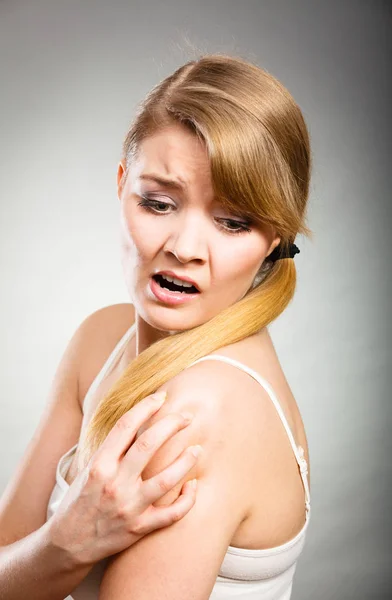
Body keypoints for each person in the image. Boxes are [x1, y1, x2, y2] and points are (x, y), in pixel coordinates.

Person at [0, 53, 312, 599]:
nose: (184, 249)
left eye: (233, 222)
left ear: (274, 238)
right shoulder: (100, 339)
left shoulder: (200, 410)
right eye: (159, 202)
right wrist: (63, 544)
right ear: (122, 186)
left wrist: (57, 551)